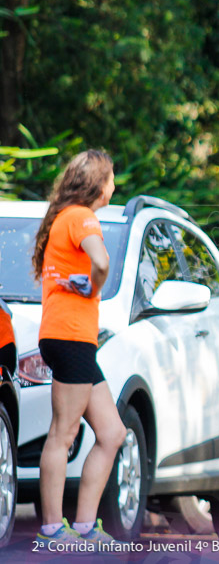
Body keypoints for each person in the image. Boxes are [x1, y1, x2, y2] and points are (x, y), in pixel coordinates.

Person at [32, 150, 127, 547]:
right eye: (110, 178)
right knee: (63, 433)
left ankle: (86, 528)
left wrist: (89, 283)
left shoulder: (64, 217)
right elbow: (101, 262)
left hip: (73, 338)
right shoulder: (82, 216)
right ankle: (54, 530)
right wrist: (95, 283)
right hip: (70, 337)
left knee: (112, 432)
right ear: (97, 185)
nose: (114, 185)